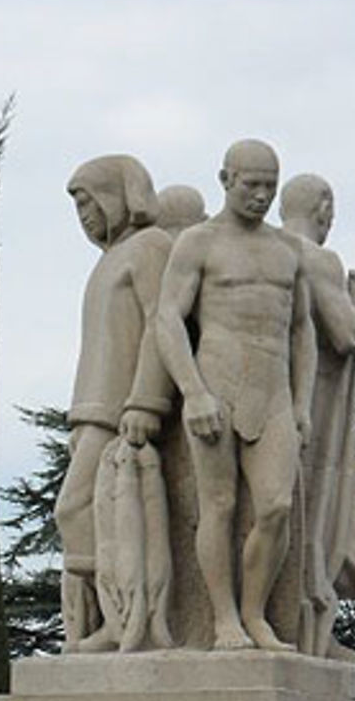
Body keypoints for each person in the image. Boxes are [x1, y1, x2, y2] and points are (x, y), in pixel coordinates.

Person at [157, 139, 316, 651]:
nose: (262, 196)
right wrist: (193, 392)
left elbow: (302, 331)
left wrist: (301, 404)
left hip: (272, 392)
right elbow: (168, 319)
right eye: (252, 185)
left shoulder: (287, 250)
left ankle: (255, 614)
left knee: (275, 506)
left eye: (270, 185)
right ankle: (224, 619)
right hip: (216, 384)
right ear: (225, 179)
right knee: (218, 505)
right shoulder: (198, 244)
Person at [55, 155, 174, 650]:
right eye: (77, 206)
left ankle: (118, 623)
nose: (84, 215)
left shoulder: (150, 247)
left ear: (115, 196)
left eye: (88, 201)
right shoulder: (108, 260)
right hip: (91, 407)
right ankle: (100, 625)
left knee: (76, 508)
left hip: (121, 409)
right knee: (88, 513)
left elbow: (161, 324)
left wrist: (146, 401)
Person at [279, 174, 355, 657]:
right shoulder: (317, 258)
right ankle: (306, 625)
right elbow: (344, 334)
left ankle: (298, 624)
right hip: (312, 405)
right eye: (331, 206)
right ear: (321, 207)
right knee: (315, 513)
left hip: (271, 401)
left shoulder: (268, 250)